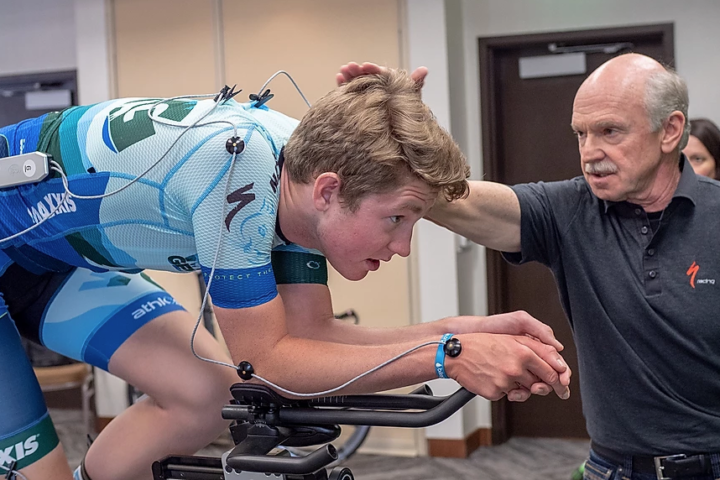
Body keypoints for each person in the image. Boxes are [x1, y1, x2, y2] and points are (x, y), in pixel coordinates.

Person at [0, 69, 571, 480]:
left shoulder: (301, 185)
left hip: (57, 258)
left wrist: (459, 331)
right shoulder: (236, 171)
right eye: (397, 218)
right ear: (328, 192)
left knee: (204, 394)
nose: (402, 245)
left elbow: (310, 341)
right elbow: (270, 366)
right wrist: (448, 354)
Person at [340, 53, 720, 479]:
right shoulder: (571, 209)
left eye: (610, 131)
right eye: (581, 134)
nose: (590, 152)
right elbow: (450, 200)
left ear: (669, 131)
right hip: (613, 467)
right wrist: (396, 134)